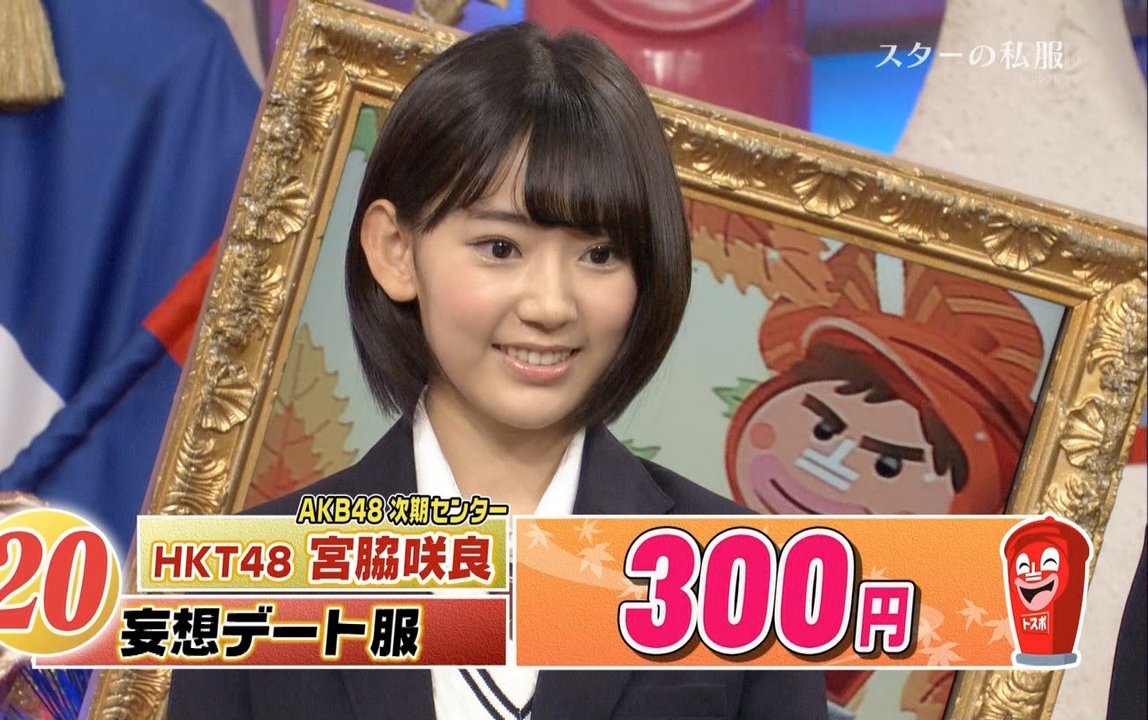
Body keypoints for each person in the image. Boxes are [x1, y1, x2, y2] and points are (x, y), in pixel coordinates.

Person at [168, 22, 827, 720]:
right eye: (500, 248)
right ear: (395, 250)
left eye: (600, 255)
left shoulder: (749, 575)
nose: (550, 306)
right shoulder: (251, 582)